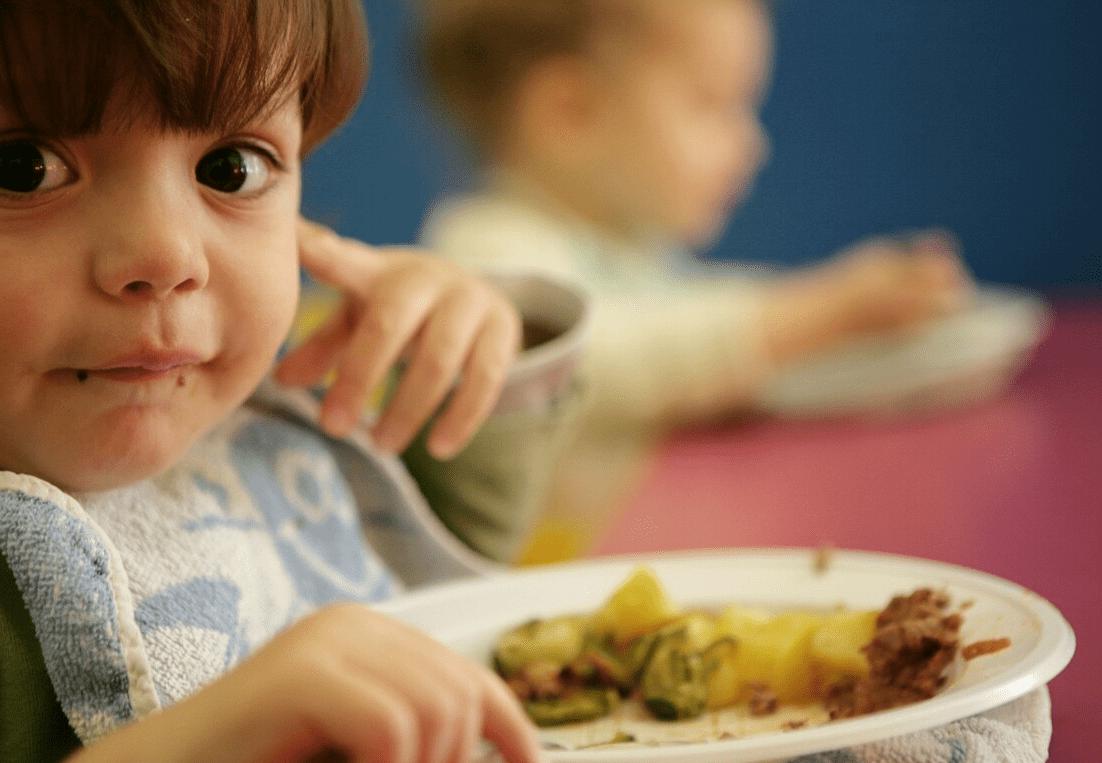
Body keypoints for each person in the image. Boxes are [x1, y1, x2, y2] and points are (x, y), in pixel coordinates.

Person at [0, 2, 546, 761]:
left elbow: (446, 558)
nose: (168, 256)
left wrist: (458, 360)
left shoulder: (265, 442)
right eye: (23, 167)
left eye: (230, 167)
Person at [415, 0, 1050, 563]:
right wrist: (821, 311)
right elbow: (600, 362)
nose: (753, 145)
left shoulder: (626, 253)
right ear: (571, 110)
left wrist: (871, 320)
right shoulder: (485, 252)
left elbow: (707, 316)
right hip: (543, 584)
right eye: (713, 105)